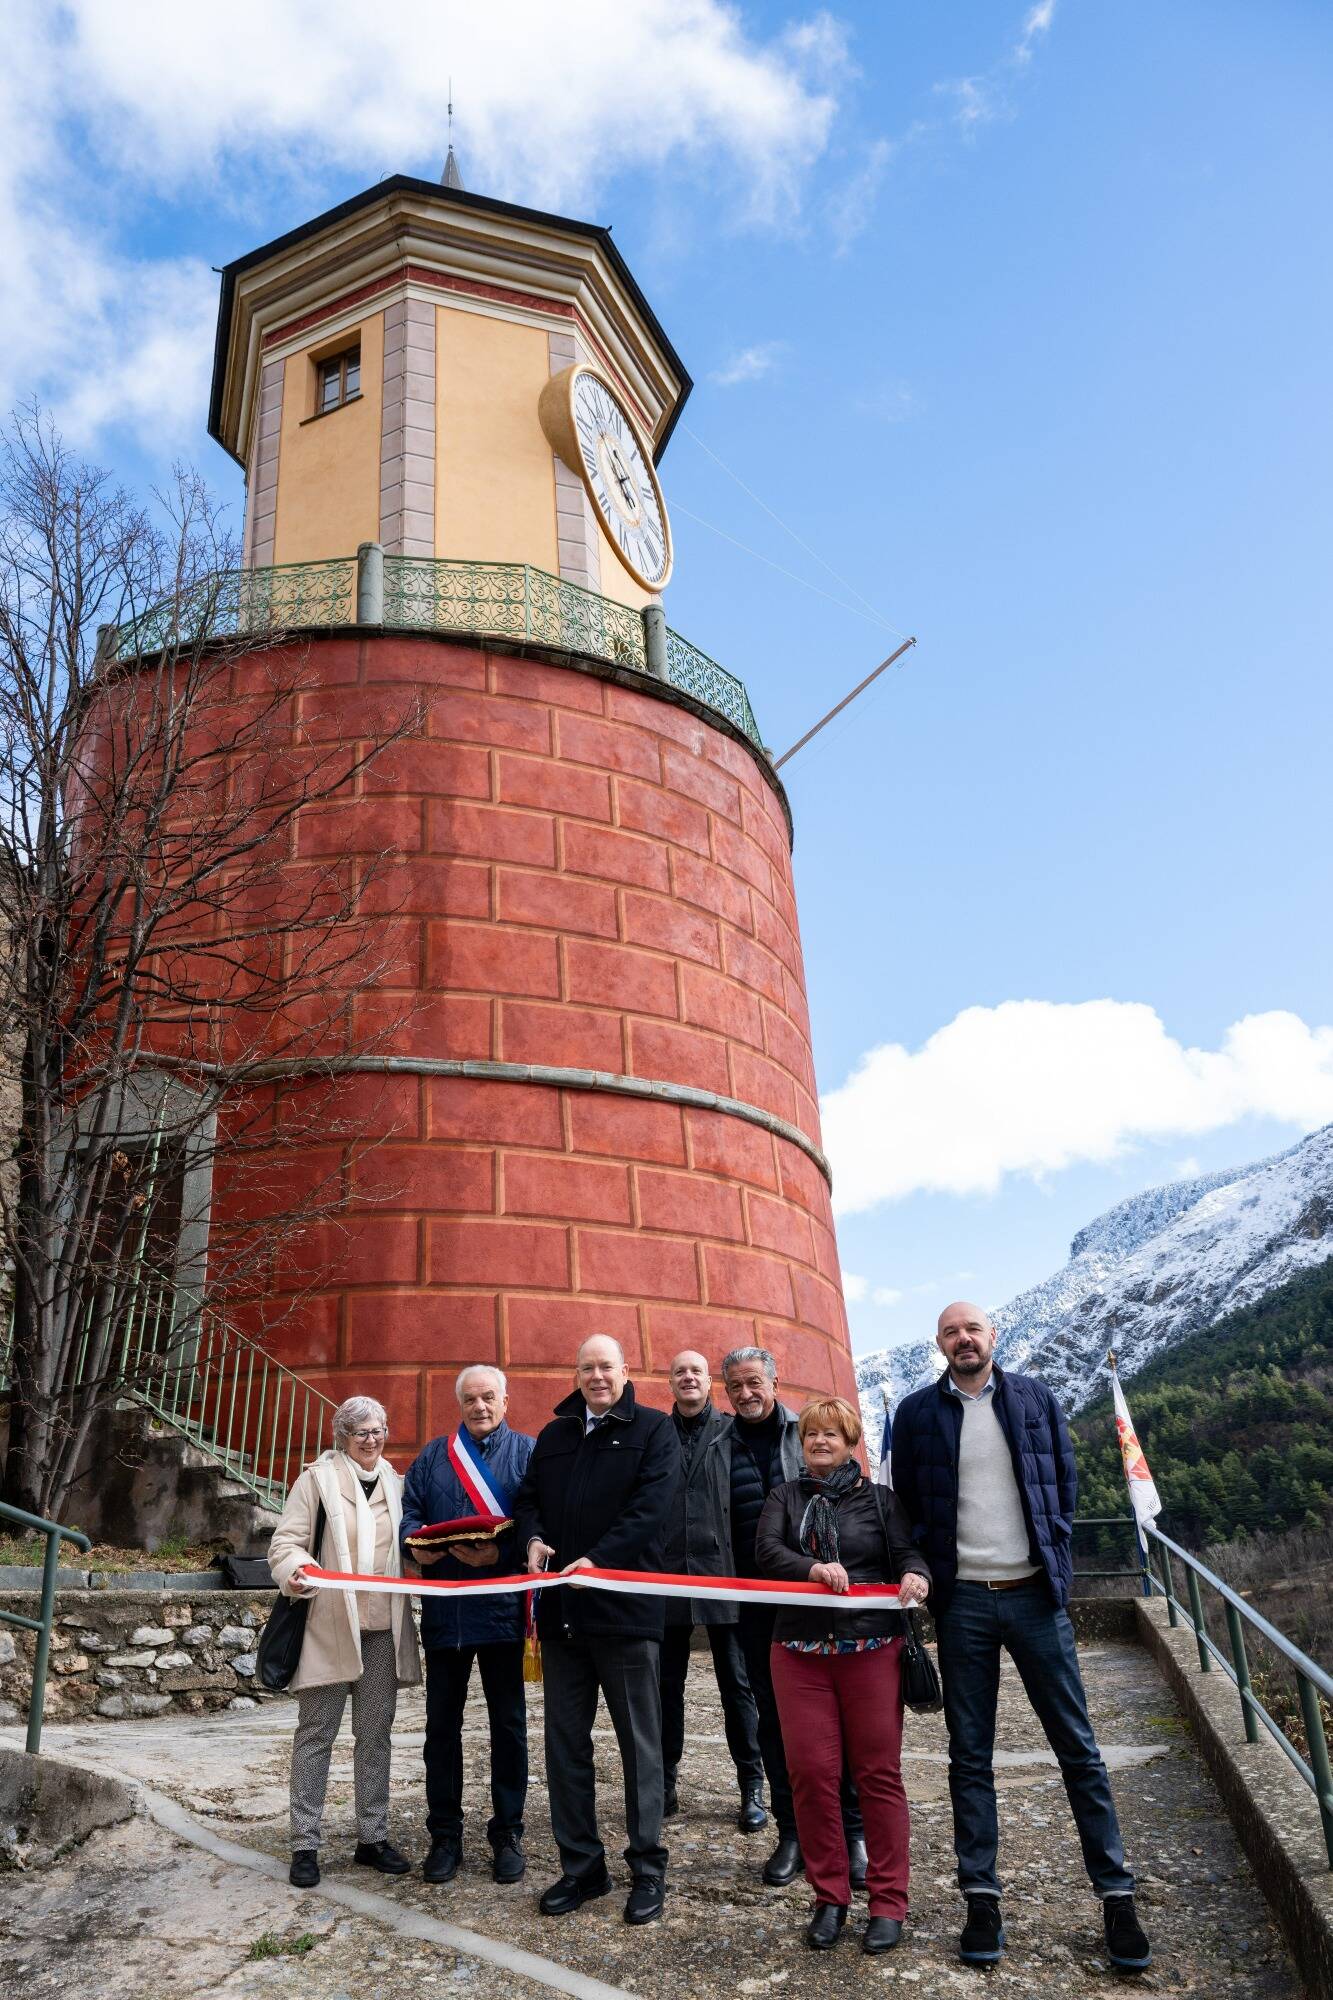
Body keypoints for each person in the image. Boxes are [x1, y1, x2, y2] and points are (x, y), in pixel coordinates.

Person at [892, 1302, 1152, 1973]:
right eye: (949, 1331)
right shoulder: (918, 1413)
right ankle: (981, 1899)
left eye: (972, 1328)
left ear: (992, 1337)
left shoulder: (1034, 1398)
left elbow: (1061, 1484)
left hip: (1035, 1597)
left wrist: (1053, 1558)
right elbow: (908, 1509)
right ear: (939, 1343)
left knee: (1078, 1749)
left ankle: (1117, 1898)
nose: (962, 1339)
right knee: (968, 1757)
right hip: (964, 1606)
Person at [514, 1334, 680, 1927]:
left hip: (627, 1613)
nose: (596, 1376)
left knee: (641, 1747)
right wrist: (530, 1538)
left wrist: (601, 1561)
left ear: (625, 1370)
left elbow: (652, 1508)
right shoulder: (555, 1435)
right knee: (564, 1748)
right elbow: (528, 1499)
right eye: (586, 1367)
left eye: (606, 1366)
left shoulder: (654, 1430)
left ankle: (648, 1869)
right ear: (576, 1373)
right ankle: (582, 1867)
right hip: (563, 1616)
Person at [757, 1397, 930, 1955]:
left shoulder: (879, 1500)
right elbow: (766, 1551)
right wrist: (810, 1568)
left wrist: (916, 1576)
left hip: (872, 1649)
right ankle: (829, 1896)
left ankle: (888, 1902)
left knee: (878, 1774)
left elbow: (908, 1553)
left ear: (851, 1441)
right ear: (801, 1444)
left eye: (832, 1434)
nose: (821, 1442)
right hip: (799, 1652)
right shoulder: (785, 1497)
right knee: (810, 1774)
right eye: (811, 1435)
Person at [704, 1346, 866, 1889]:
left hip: (818, 1601)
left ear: (775, 1382)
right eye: (734, 1387)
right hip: (753, 1604)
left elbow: (857, 1507)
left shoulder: (811, 1431)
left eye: (754, 1383)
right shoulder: (716, 1445)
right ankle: (792, 1830)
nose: (745, 1394)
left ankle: (851, 1830)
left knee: (835, 1719)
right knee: (771, 1719)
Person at [268, 1395, 421, 1889]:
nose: (371, 1439)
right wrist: (296, 1572)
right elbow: (285, 1543)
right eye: (361, 1432)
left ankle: (371, 1837)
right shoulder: (316, 1479)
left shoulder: (398, 1485)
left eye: (378, 1430)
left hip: (382, 1633)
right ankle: (305, 1844)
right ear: (342, 1438)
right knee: (316, 1736)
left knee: (375, 1737)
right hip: (328, 1630)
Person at [400, 1364, 535, 1886]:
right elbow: (410, 1513)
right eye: (470, 1399)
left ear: (505, 1398)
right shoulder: (434, 1456)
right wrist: (419, 1550)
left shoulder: (526, 1452)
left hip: (502, 1608)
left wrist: (500, 1551)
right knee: (441, 1730)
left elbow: (535, 1516)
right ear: (459, 1404)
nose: (480, 1407)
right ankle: (445, 1836)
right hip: (447, 1612)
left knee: (508, 1727)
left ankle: (507, 1833)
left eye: (488, 1398)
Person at [659, 1349, 766, 1832]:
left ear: (709, 1383)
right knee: (666, 1688)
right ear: (671, 1382)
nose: (688, 1378)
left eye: (696, 1371)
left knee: (737, 1687)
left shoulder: (732, 1430)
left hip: (724, 1574)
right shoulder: (656, 1435)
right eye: (680, 1371)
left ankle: (752, 1785)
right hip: (668, 1576)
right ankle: (664, 1782)